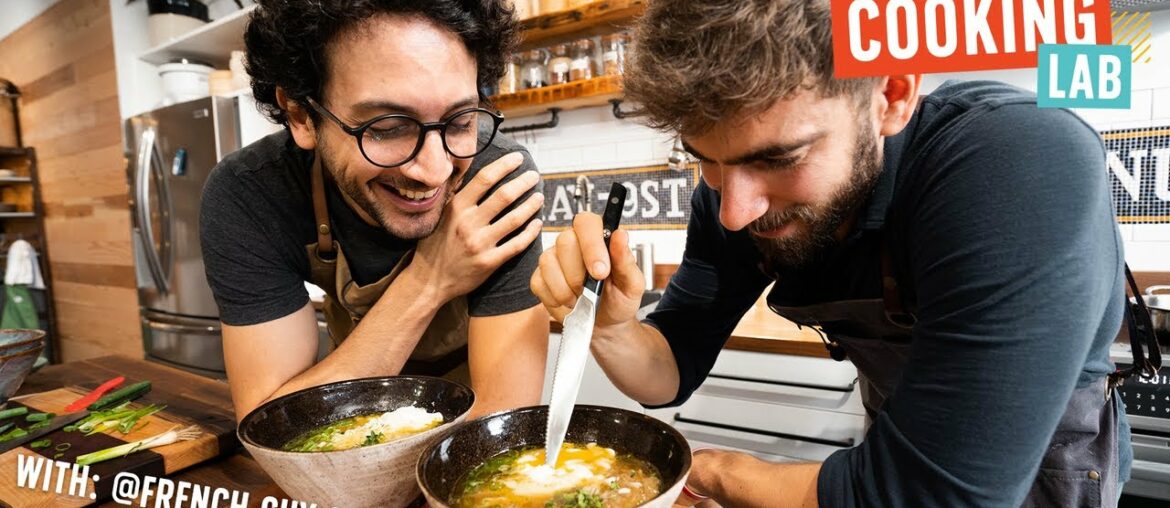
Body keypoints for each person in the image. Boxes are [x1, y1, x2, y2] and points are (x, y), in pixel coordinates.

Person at [531, 1, 1130, 506]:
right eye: (704, 157)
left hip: (1049, 471)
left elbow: (936, 495)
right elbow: (669, 373)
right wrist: (609, 328)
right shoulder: (733, 197)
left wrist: (715, 471)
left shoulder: (1013, 160)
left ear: (890, 94)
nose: (735, 210)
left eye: (779, 158)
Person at [200, 0, 548, 422]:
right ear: (300, 115)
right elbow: (271, 424)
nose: (435, 171)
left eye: (459, 122)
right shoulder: (250, 193)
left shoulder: (498, 181)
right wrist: (429, 281)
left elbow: (502, 426)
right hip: (344, 419)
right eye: (387, 128)